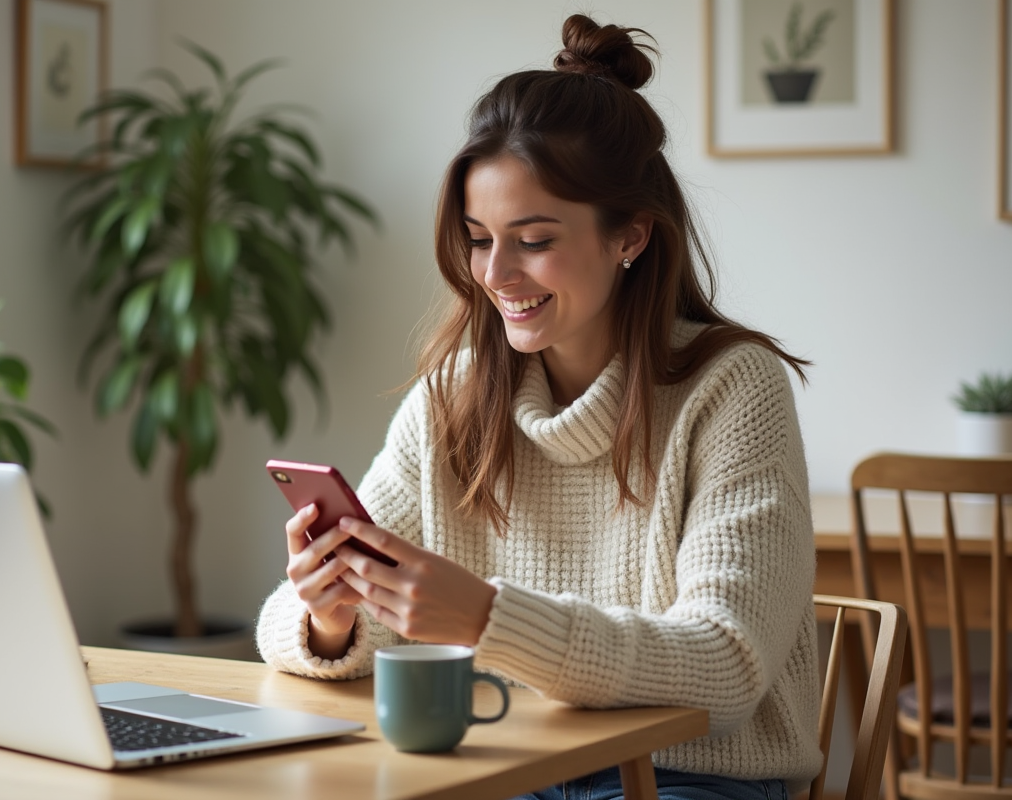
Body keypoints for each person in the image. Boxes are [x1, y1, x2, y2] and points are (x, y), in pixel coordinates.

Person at [257, 14, 820, 800]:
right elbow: (288, 628)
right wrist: (332, 617)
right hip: (507, 763)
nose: (497, 273)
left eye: (533, 238)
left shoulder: (733, 388)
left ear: (629, 236)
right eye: (480, 238)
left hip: (684, 775)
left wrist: (486, 616)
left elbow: (726, 669)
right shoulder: (453, 396)